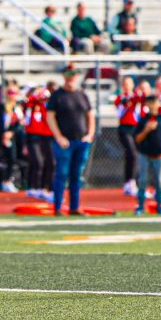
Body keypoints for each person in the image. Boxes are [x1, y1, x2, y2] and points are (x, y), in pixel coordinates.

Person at [46, 68, 95, 216]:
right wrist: (59, 136)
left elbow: (90, 115)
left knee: (76, 176)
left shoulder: (81, 95)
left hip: (81, 141)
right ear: (64, 76)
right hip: (65, 142)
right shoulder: (57, 95)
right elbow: (50, 117)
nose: (71, 78)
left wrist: (90, 134)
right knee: (62, 174)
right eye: (68, 75)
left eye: (73, 75)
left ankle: (74, 207)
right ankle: (58, 207)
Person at [134, 94, 161, 215]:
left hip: (159, 155)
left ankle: (160, 206)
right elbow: (138, 138)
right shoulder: (143, 120)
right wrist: (147, 130)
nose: (152, 105)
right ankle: (140, 206)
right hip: (145, 154)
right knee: (143, 180)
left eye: (154, 102)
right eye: (150, 103)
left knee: (159, 181)